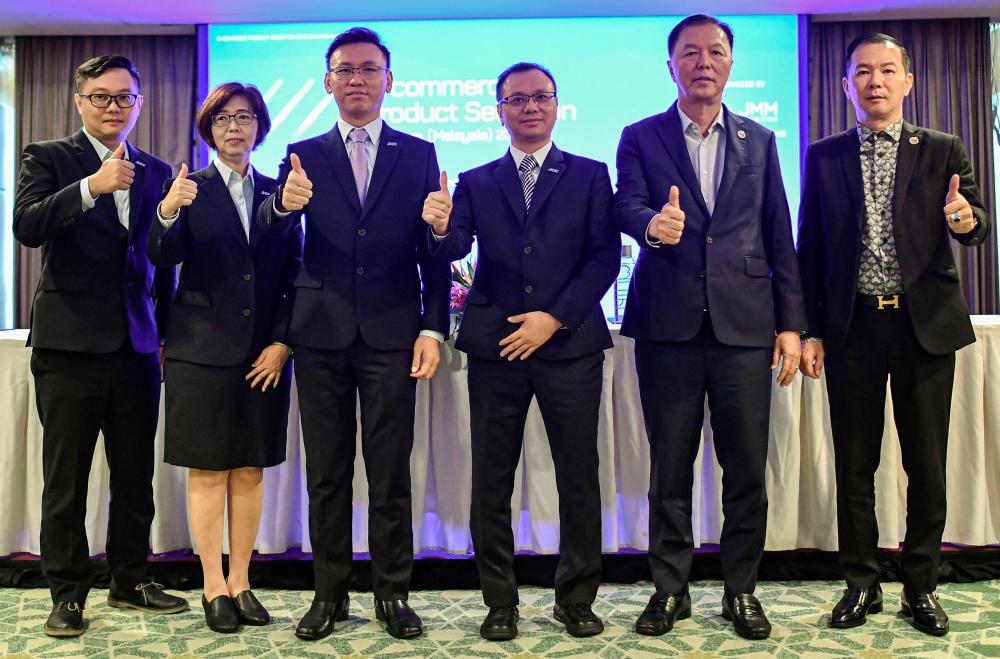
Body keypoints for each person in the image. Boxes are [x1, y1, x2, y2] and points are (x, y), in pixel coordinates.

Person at [613, 14, 806, 640]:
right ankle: (670, 590)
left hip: (746, 327)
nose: (703, 62)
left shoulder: (760, 138)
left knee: (745, 467)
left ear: (730, 63)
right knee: (668, 466)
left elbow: (779, 233)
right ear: (670, 65)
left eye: (715, 52)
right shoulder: (640, 135)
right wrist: (650, 224)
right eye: (689, 53)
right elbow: (626, 201)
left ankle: (741, 591)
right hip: (667, 325)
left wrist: (791, 326)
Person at [257, 27, 450, 641]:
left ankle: (393, 594)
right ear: (328, 81)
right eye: (347, 70)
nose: (359, 79)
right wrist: (283, 208)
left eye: (370, 69)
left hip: (394, 333)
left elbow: (432, 254)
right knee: (328, 472)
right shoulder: (302, 151)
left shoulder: (418, 153)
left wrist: (432, 324)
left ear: (390, 81)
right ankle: (329, 593)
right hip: (322, 334)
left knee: (390, 470)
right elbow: (277, 245)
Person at [797, 33, 990, 637]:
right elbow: (812, 248)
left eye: (886, 71)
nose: (874, 82)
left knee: (926, 465)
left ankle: (921, 586)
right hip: (852, 326)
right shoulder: (824, 156)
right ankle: (861, 584)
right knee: (856, 464)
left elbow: (975, 221)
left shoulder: (942, 149)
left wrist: (966, 219)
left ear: (907, 81)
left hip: (921, 326)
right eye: (862, 72)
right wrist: (808, 328)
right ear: (846, 84)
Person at [422, 62, 620, 641]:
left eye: (541, 98)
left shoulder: (589, 174)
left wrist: (553, 318)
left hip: (570, 345)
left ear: (557, 105)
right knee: (493, 475)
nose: (530, 107)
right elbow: (455, 246)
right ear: (499, 109)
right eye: (517, 99)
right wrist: (438, 227)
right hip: (496, 347)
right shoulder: (478, 180)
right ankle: (499, 600)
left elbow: (603, 258)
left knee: (579, 474)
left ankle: (576, 597)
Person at [13, 55, 187, 637]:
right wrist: (91, 187)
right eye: (101, 97)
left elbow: (160, 264)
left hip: (137, 346)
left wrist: (162, 334)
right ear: (79, 101)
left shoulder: (157, 169)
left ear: (139, 104)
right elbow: (28, 226)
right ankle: (66, 593)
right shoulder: (48, 157)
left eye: (124, 98)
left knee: (135, 475)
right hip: (67, 349)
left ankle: (131, 579)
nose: (114, 107)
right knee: (67, 478)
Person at [147, 82, 302, 633]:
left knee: (250, 467)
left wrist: (282, 343)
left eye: (245, 118)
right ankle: (213, 584)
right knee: (209, 469)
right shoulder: (189, 188)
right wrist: (166, 212)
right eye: (222, 120)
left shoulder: (282, 190)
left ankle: (243, 580)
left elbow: (293, 275)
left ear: (259, 126)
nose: (234, 127)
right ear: (208, 129)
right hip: (200, 351)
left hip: (264, 353)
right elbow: (161, 257)